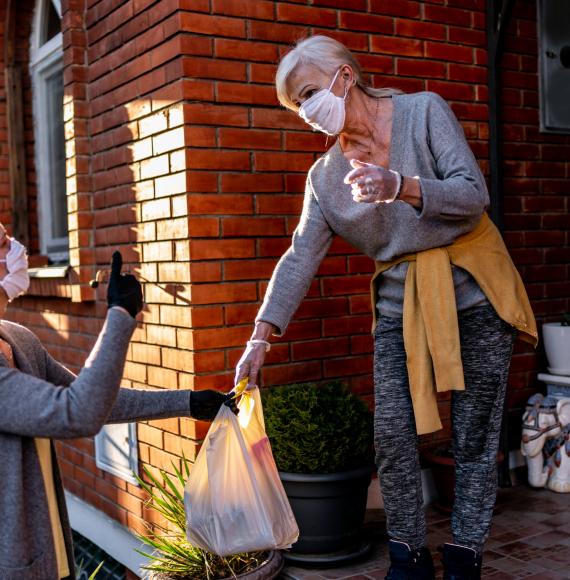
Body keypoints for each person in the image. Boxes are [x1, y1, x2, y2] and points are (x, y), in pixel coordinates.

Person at [234, 36, 536, 580]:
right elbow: (300, 254)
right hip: (400, 307)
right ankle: (407, 556)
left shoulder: (424, 112)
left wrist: (400, 185)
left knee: (473, 431)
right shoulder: (325, 178)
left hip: (474, 290)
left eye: (307, 95)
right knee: (393, 433)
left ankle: (466, 553)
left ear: (345, 78)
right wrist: (261, 334)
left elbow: (473, 195)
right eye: (295, 106)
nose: (305, 113)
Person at [0, 227, 232, 579]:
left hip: (51, 553)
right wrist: (120, 316)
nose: (15, 250)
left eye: (8, 240)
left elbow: (93, 399)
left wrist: (187, 402)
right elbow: (77, 414)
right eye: (2, 245)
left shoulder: (18, 338)